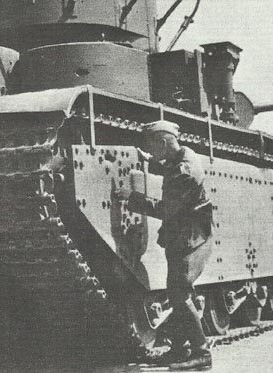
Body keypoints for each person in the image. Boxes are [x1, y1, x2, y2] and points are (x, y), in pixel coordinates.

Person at [113, 120, 213, 371]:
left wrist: (131, 198)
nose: (152, 152)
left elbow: (165, 209)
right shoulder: (182, 156)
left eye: (152, 147)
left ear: (163, 142)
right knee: (176, 292)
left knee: (180, 293)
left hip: (190, 238)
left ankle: (202, 353)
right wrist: (151, 161)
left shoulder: (184, 172)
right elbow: (168, 165)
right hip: (182, 236)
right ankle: (179, 350)